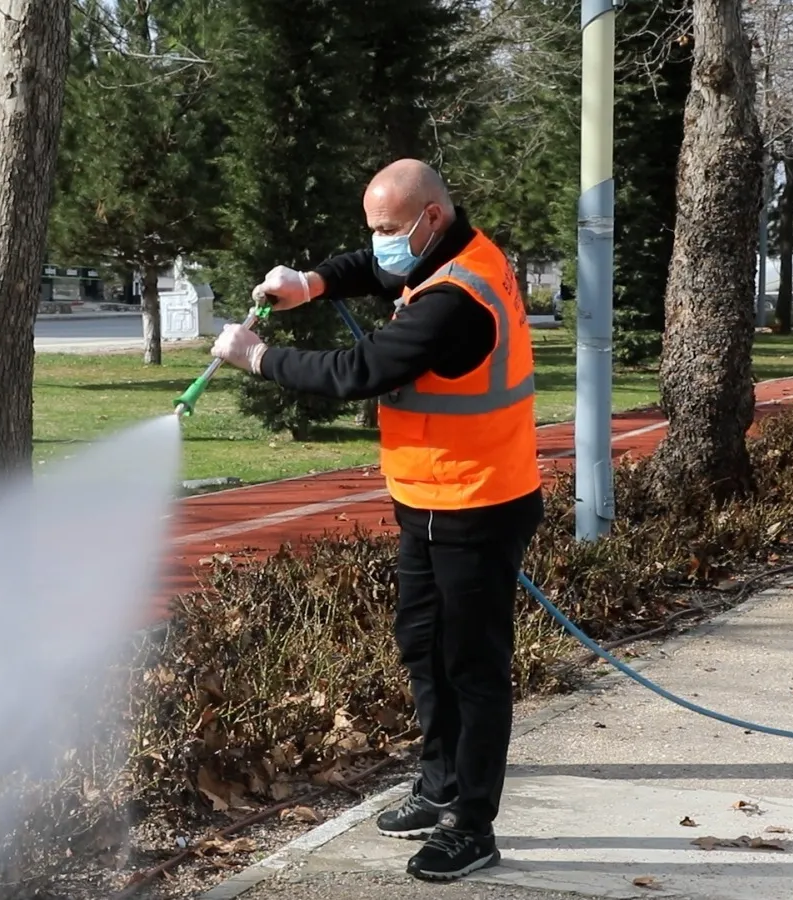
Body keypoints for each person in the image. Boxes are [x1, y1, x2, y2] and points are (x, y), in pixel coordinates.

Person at [209, 158, 545, 883]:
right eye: (375, 229)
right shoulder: (438, 252)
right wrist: (314, 283)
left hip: (479, 506)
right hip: (428, 500)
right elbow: (375, 266)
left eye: (390, 229)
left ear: (429, 218)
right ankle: (437, 785)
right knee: (423, 648)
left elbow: (353, 373)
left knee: (474, 669)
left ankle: (472, 825)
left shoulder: (458, 298)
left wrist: (258, 356)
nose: (381, 244)